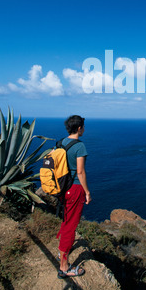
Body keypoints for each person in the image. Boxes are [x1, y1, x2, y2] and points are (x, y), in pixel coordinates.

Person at [56, 115, 92, 278]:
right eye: (83, 127)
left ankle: (60, 252)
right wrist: (87, 192)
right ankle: (64, 267)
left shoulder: (61, 143)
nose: (84, 129)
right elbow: (80, 171)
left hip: (63, 188)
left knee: (66, 220)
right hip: (75, 188)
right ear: (79, 128)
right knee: (71, 225)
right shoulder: (80, 146)